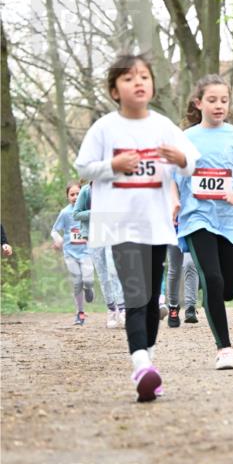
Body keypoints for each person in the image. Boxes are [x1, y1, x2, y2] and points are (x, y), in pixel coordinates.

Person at [75, 53, 199, 400]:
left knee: (150, 297)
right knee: (135, 293)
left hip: (155, 221)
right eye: (128, 78)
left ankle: (149, 363)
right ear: (115, 90)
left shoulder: (162, 125)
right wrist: (113, 164)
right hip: (117, 220)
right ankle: (140, 363)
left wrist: (181, 159)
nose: (138, 82)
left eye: (144, 76)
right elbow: (84, 167)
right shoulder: (105, 128)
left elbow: (192, 161)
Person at [175, 74, 233, 370]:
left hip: (230, 221)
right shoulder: (186, 139)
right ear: (199, 103)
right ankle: (224, 349)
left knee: (227, 288)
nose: (218, 105)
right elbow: (170, 178)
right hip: (197, 218)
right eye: (212, 100)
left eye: (223, 101)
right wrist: (174, 201)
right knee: (213, 280)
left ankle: (211, 292)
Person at [73, 182, 125, 328]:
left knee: (113, 269)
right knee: (103, 275)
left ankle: (123, 309)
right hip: (94, 236)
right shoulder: (86, 191)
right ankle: (111, 310)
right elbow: (76, 214)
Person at [51, 181, 95, 326]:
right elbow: (54, 230)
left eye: (78, 194)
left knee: (87, 280)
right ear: (67, 197)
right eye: (72, 194)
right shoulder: (65, 213)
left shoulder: (88, 210)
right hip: (70, 253)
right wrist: (58, 240)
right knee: (77, 282)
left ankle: (89, 288)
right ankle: (80, 313)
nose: (75, 197)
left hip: (87, 252)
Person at [166, 239, 200, 327]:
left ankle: (190, 308)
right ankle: (173, 306)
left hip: (190, 228)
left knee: (190, 264)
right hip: (174, 231)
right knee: (174, 269)